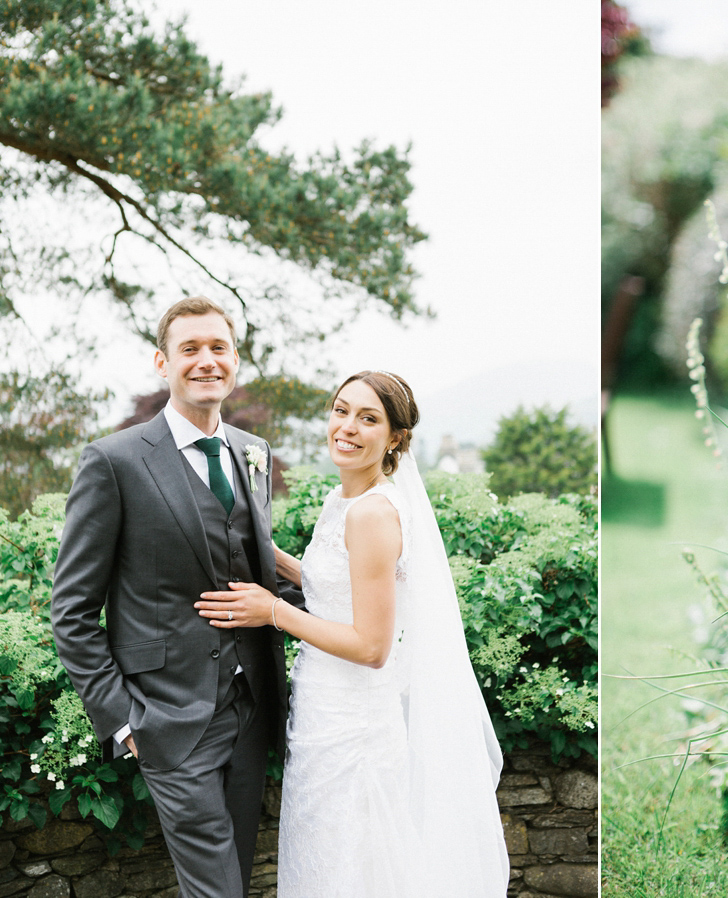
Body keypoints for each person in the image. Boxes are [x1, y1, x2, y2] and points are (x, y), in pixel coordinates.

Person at [194, 370, 510, 897]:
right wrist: (267, 558)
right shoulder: (343, 501)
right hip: (322, 712)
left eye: (368, 418)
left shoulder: (372, 514)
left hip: (353, 723)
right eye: (341, 410)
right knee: (326, 855)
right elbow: (341, 581)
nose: (347, 426)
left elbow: (371, 647)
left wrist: (273, 610)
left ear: (395, 440)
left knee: (352, 861)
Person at [51, 297, 297, 898]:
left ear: (235, 361)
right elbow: (72, 611)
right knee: (215, 888)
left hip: (251, 711)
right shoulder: (114, 461)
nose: (206, 360)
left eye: (219, 348)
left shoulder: (252, 453)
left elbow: (259, 570)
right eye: (190, 349)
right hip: (167, 717)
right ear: (162, 362)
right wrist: (123, 719)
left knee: (235, 877)